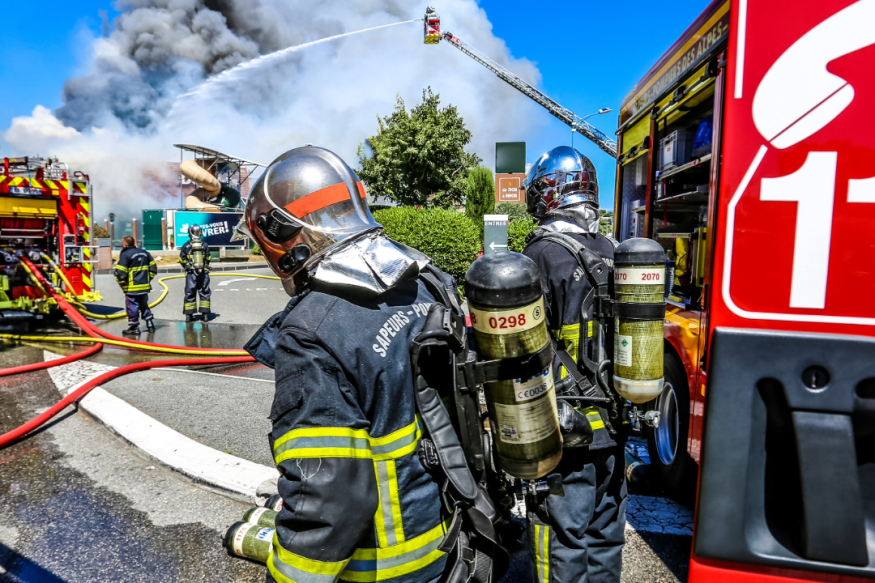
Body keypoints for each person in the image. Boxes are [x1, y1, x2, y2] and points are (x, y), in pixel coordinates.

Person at [239, 146, 501, 583]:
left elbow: (328, 494)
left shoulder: (311, 329)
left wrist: (286, 577)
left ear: (282, 234)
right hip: (461, 534)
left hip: (388, 567)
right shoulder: (427, 281)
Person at [521, 146, 626, 582]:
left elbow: (525, 350)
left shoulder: (541, 254)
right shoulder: (616, 250)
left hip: (566, 429)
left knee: (562, 536)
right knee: (606, 534)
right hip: (617, 423)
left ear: (549, 193)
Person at [114, 236, 157, 335]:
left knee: (132, 306)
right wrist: (147, 279)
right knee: (144, 305)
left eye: (122, 244)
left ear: (125, 244)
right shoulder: (145, 253)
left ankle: (134, 327)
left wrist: (122, 284)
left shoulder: (125, 254)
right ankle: (150, 324)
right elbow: (153, 269)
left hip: (132, 288)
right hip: (144, 287)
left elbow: (121, 273)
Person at [179, 225, 212, 322]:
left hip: (191, 273)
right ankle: (205, 315)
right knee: (204, 292)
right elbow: (208, 258)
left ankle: (189, 316)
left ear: (189, 233)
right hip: (203, 273)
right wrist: (204, 266)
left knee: (190, 292)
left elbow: (182, 259)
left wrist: (187, 266)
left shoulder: (186, 246)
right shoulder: (204, 245)